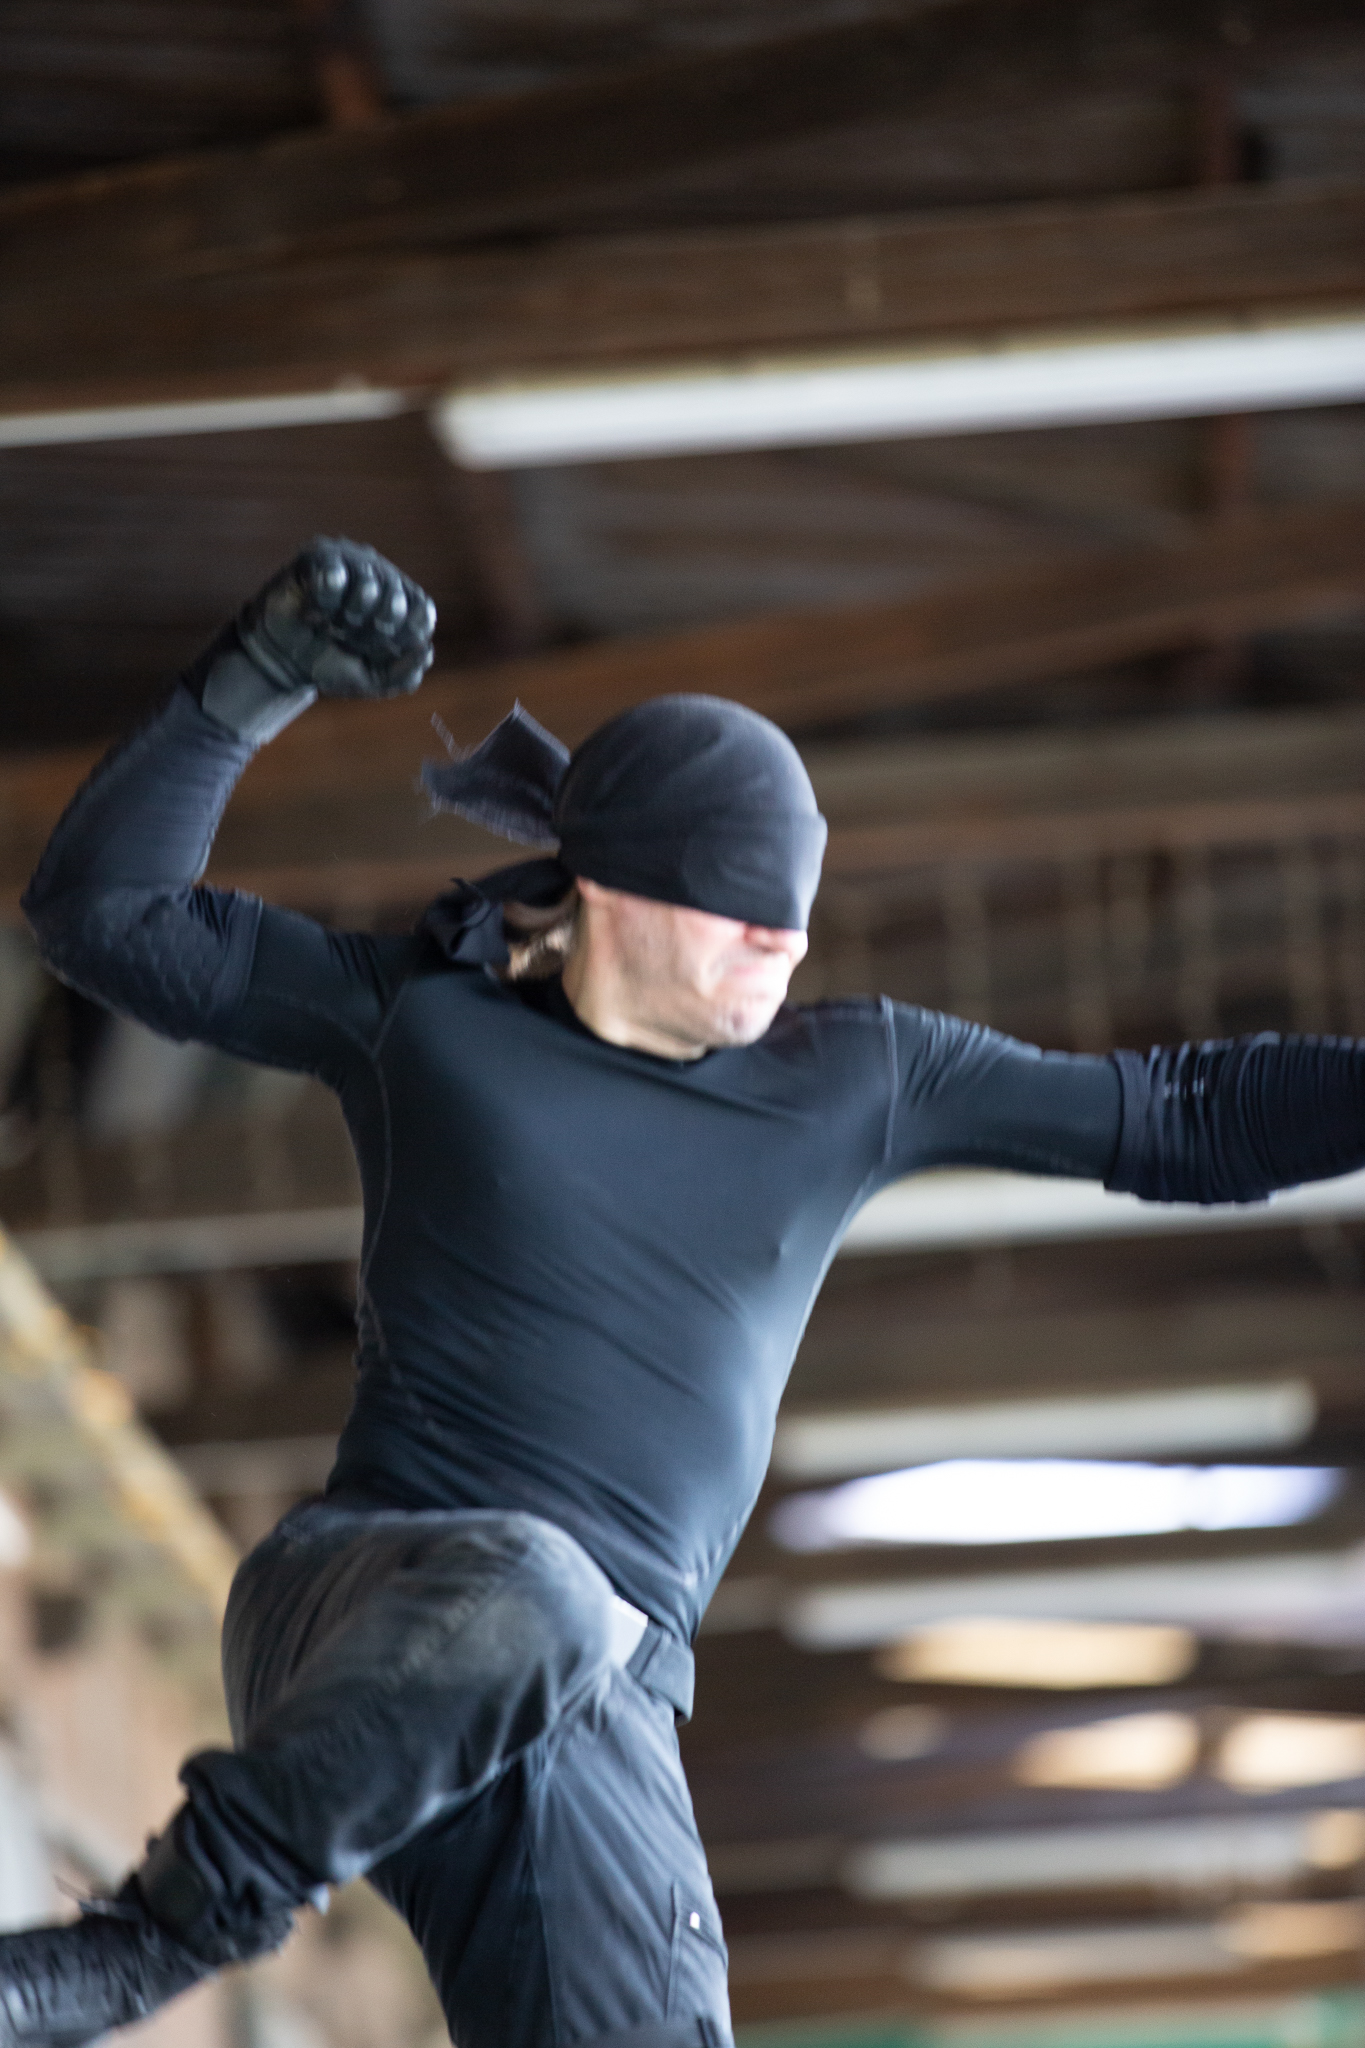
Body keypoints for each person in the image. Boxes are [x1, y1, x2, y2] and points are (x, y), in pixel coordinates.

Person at [7, 538, 1365, 2048]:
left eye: (796, 908)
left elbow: (1181, 1115)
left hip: (611, 1703)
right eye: (739, 904)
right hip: (365, 1609)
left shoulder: (858, 1076)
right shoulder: (422, 1018)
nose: (785, 938)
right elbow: (101, 913)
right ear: (610, 887)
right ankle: (151, 1941)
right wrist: (252, 684)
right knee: (536, 1594)